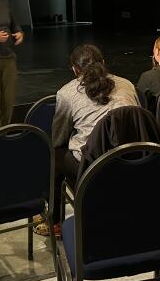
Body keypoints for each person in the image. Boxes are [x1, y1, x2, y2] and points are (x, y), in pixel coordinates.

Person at [46, 44, 140, 235]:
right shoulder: (127, 84)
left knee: (55, 153)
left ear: (75, 70)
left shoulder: (67, 93)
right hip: (128, 159)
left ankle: (55, 221)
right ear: (103, 63)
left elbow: (58, 137)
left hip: (92, 166)